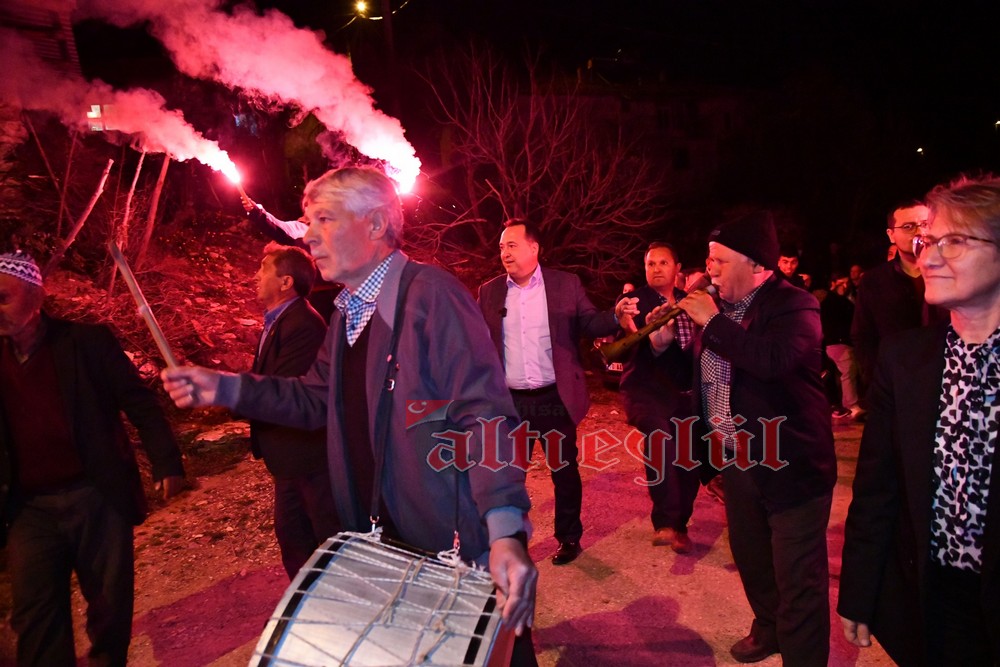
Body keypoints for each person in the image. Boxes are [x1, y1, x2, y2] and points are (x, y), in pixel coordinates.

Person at [165, 167, 538, 660]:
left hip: (452, 548)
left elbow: (486, 416)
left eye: (324, 219)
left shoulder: (431, 295)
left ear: (376, 224)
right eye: (308, 222)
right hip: (382, 542)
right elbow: (313, 398)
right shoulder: (347, 314)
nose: (308, 236)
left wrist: (505, 530)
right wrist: (227, 388)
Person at [652, 211, 837, 665]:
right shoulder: (718, 309)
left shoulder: (794, 305)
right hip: (738, 459)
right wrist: (661, 343)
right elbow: (698, 376)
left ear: (755, 264)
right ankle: (769, 627)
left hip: (791, 463)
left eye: (719, 259)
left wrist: (713, 323)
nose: (709, 268)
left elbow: (773, 360)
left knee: (798, 579)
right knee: (752, 558)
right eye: (708, 258)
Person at [839, 175, 1000, 665]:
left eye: (954, 241)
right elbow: (877, 489)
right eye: (927, 241)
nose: (927, 258)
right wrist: (860, 589)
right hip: (934, 599)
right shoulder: (906, 358)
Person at [0, 250, 185, 666]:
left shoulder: (85, 343)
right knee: (35, 615)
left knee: (109, 606)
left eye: (3, 298)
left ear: (36, 298)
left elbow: (140, 404)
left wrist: (167, 462)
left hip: (95, 494)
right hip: (29, 509)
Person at [478, 220, 626, 566]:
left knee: (564, 471)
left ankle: (569, 538)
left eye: (512, 245)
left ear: (534, 248)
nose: (504, 253)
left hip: (554, 398)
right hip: (511, 401)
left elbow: (589, 322)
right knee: (509, 476)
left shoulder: (564, 284)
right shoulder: (490, 291)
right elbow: (475, 337)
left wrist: (615, 316)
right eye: (501, 247)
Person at [249, 242, 339, 578]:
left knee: (320, 540)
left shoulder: (303, 325)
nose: (256, 276)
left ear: (286, 282)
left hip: (308, 458)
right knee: (294, 538)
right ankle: (308, 601)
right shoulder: (279, 320)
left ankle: (331, 602)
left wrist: (221, 392)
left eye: (264, 269)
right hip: (290, 458)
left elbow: (281, 391)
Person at [615, 242, 700, 553]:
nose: (656, 269)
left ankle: (679, 526)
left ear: (677, 268)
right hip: (645, 389)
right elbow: (626, 348)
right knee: (659, 439)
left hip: (683, 393)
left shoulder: (691, 303)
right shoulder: (633, 302)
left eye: (663, 263)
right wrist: (631, 326)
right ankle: (664, 521)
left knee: (689, 459)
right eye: (651, 264)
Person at [851, 200, 948, 394]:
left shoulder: (951, 272)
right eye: (908, 227)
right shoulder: (874, 281)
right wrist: (876, 376)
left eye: (925, 224)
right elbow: (863, 334)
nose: (919, 232)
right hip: (897, 381)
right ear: (891, 235)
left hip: (949, 376)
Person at [241, 193, 339, 321]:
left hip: (340, 294)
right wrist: (255, 211)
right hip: (312, 296)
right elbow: (273, 225)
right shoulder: (297, 229)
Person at [821, 272, 862, 420]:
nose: (845, 286)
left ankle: (844, 404)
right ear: (833, 284)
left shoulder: (842, 300)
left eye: (846, 283)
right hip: (837, 341)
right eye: (841, 283)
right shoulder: (832, 301)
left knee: (845, 373)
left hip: (839, 341)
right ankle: (851, 405)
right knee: (848, 371)